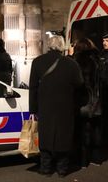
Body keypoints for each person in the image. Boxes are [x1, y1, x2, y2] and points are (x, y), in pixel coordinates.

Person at [29, 35, 83, 177]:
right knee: (63, 136)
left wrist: (33, 109)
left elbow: (33, 87)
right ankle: (62, 168)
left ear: (49, 45)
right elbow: (79, 83)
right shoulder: (71, 64)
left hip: (45, 105)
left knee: (45, 135)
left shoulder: (37, 62)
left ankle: (45, 167)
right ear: (62, 46)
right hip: (65, 106)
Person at [73, 38, 103, 167]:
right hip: (97, 99)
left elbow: (78, 82)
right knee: (96, 128)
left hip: (84, 99)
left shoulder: (78, 61)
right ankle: (96, 158)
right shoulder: (97, 60)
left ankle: (83, 160)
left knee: (83, 130)